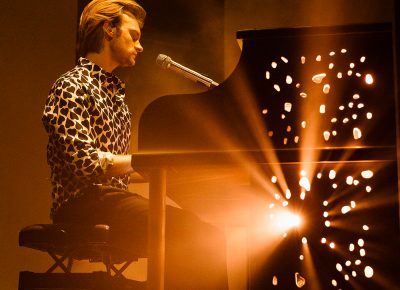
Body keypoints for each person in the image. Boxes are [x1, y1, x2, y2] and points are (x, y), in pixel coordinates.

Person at [41, 0, 228, 289]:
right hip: (81, 203)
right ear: (108, 30)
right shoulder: (70, 86)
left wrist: (180, 171)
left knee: (206, 232)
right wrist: (148, 163)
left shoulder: (116, 97)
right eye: (134, 36)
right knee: (188, 232)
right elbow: (85, 163)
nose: (140, 47)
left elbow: (121, 168)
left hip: (110, 200)